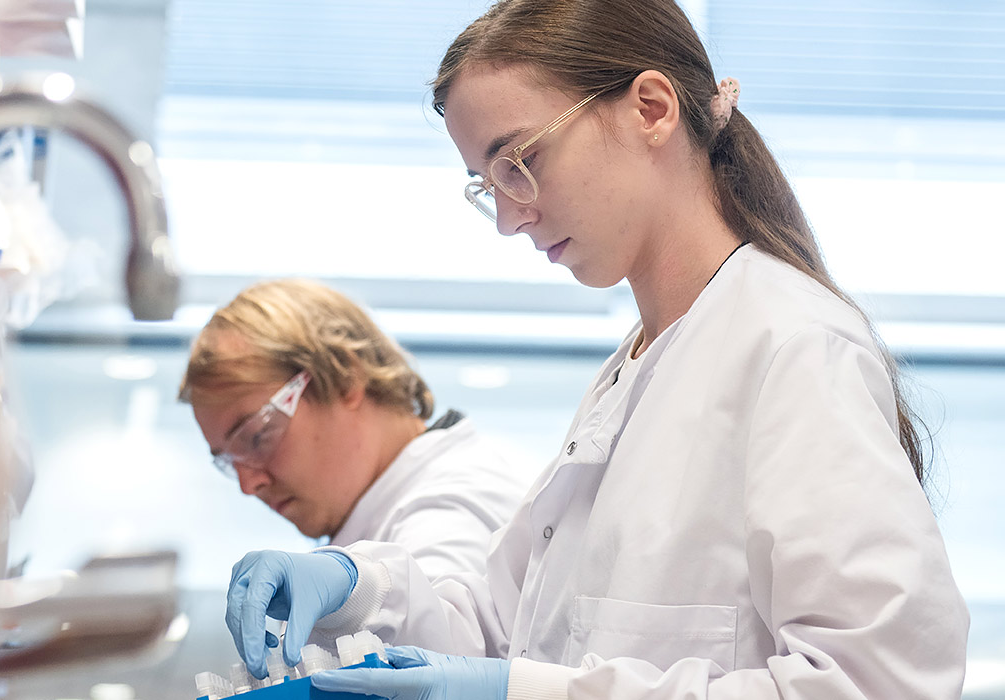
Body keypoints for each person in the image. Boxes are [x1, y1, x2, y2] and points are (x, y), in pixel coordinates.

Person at [221, 1, 970, 699]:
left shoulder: (794, 348)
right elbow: (514, 629)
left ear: (652, 109)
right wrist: (356, 586)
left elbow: (875, 683)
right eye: (487, 185)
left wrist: (524, 692)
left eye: (521, 161)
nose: (509, 219)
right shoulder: (639, 364)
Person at [180, 278, 531, 582]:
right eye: (228, 461)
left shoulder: (448, 514)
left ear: (345, 377)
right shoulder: (381, 515)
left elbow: (432, 624)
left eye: (256, 437)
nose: (248, 484)